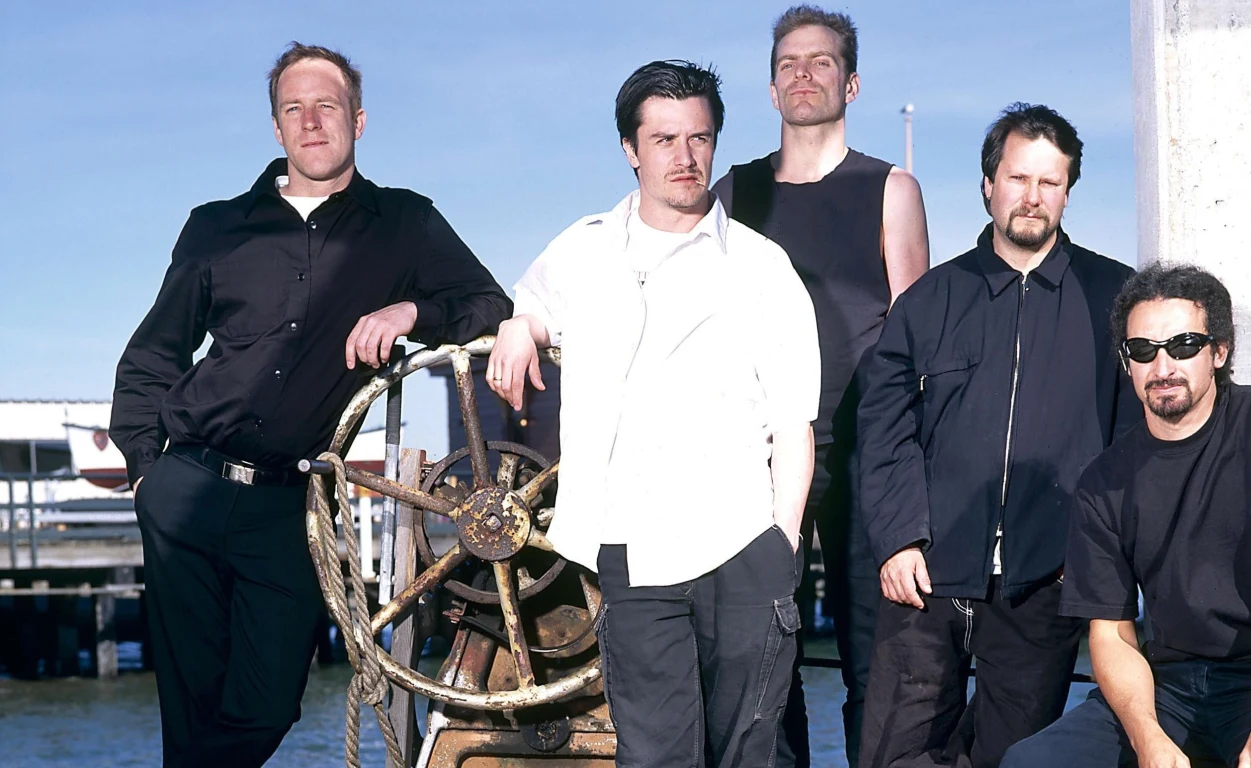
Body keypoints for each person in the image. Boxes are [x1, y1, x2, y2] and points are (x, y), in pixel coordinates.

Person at [110, 42, 511, 768]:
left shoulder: (405, 222)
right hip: (188, 487)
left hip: (292, 503)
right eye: (293, 108)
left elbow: (490, 307)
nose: (311, 121)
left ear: (358, 119)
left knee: (270, 701)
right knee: (189, 704)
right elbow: (153, 353)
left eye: (327, 105)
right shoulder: (216, 225)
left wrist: (412, 312)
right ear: (276, 128)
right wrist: (146, 472)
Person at [485, 60, 820, 768]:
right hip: (630, 551)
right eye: (664, 139)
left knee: (748, 756)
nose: (685, 156)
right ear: (630, 150)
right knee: (655, 757)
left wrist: (781, 544)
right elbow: (535, 301)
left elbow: (795, 423)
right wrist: (519, 326)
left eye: (699, 138)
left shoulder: (763, 267)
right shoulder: (582, 249)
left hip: (740, 547)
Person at [857, 103, 1138, 768]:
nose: (1032, 196)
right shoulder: (930, 300)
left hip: (1046, 580)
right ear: (988, 184)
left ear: (1067, 191)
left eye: (1049, 182)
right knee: (895, 754)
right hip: (926, 574)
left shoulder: (1115, 299)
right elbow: (884, 427)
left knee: (1014, 758)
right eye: (1018, 178)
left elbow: (1131, 444)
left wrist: (1091, 549)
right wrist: (898, 538)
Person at [1002, 265, 1251, 768]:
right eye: (1143, 350)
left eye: (1184, 345)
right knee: (1029, 762)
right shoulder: (1102, 482)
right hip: (1172, 684)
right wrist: (1148, 738)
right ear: (1127, 362)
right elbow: (1111, 633)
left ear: (1219, 352)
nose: (1163, 365)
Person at [712, 7, 930, 765]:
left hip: (868, 451)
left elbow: (915, 334)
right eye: (789, 64)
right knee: (764, 654)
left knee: (877, 657)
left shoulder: (890, 188)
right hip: (763, 454)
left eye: (821, 61)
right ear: (772, 89)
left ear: (851, 83)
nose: (803, 74)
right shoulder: (733, 194)